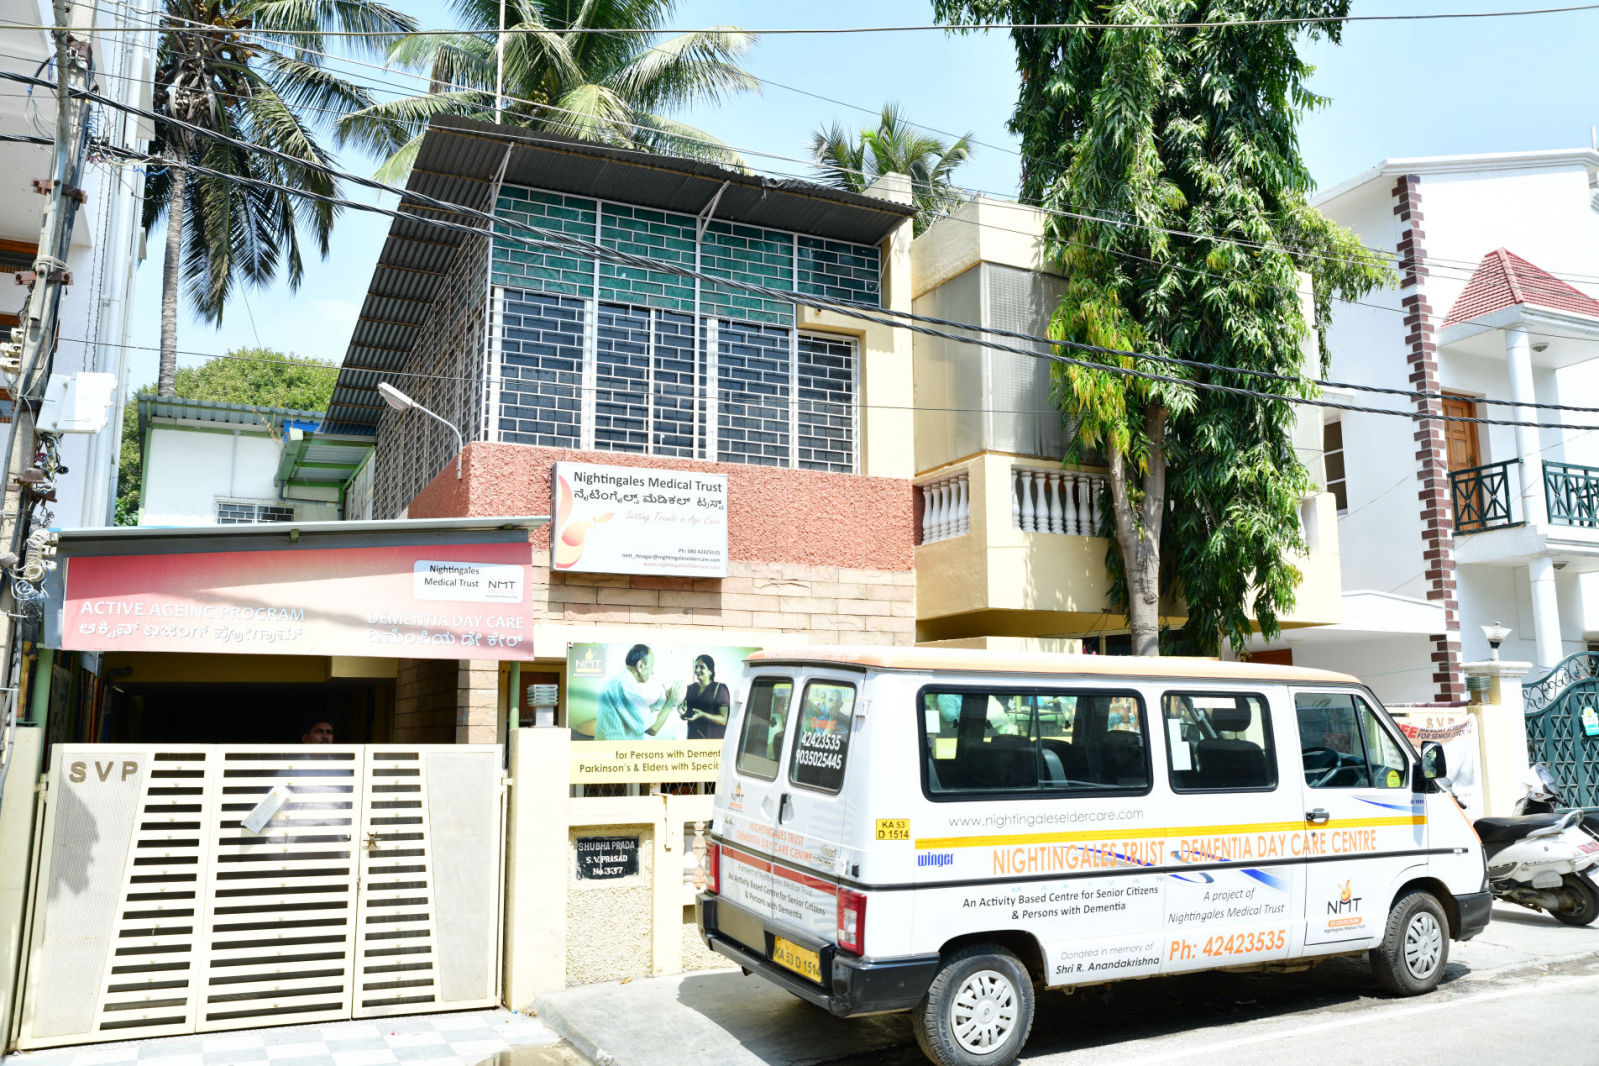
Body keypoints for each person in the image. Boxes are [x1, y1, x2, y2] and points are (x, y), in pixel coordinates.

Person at [596, 644, 682, 741]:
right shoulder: (625, 685)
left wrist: (660, 703)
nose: (652, 671)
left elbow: (635, 713)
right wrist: (670, 701)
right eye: (651, 666)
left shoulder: (620, 680)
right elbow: (652, 729)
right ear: (640, 665)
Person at [681, 654, 731, 741]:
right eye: (696, 667)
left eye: (702, 667)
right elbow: (687, 715)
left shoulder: (720, 689)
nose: (697, 670)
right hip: (692, 740)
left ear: (710, 671)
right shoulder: (691, 688)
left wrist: (703, 715)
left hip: (711, 743)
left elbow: (724, 719)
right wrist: (683, 713)